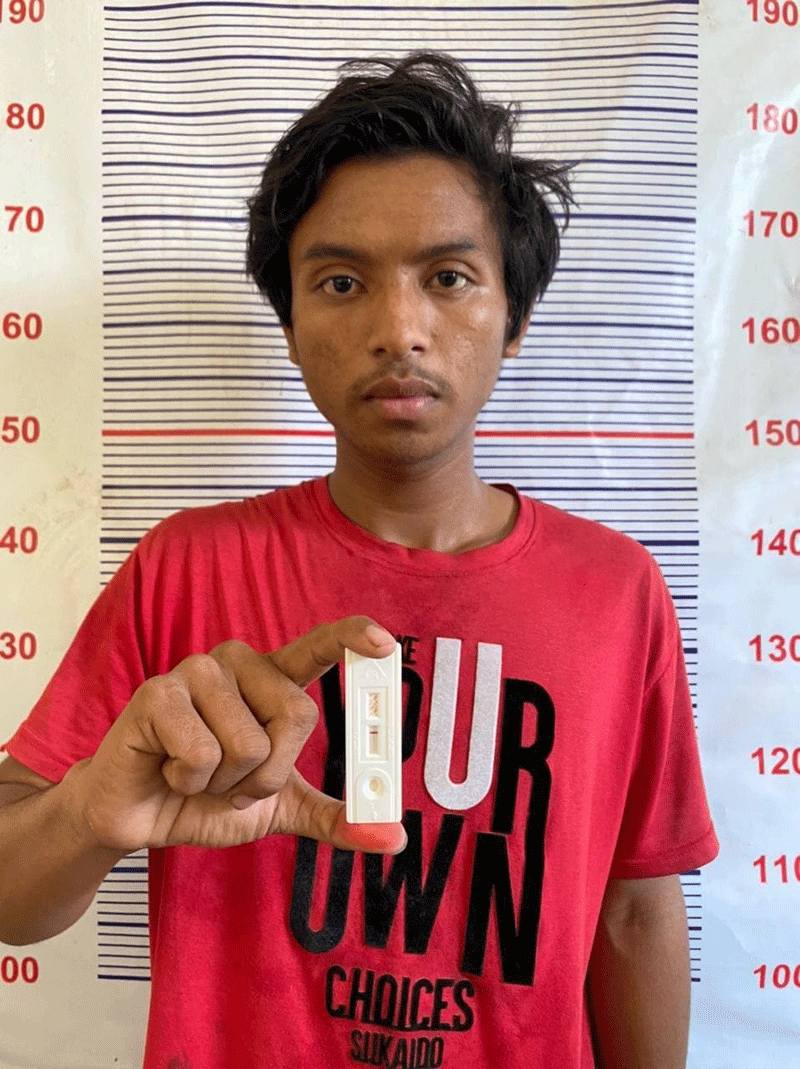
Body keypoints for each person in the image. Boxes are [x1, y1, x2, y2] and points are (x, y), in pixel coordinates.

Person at [0, 52, 718, 1069]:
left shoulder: (616, 590)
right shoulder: (185, 569)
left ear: (514, 315)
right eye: (340, 282)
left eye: (448, 277)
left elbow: (635, 911)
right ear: (291, 326)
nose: (398, 329)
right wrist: (90, 813)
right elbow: (11, 900)